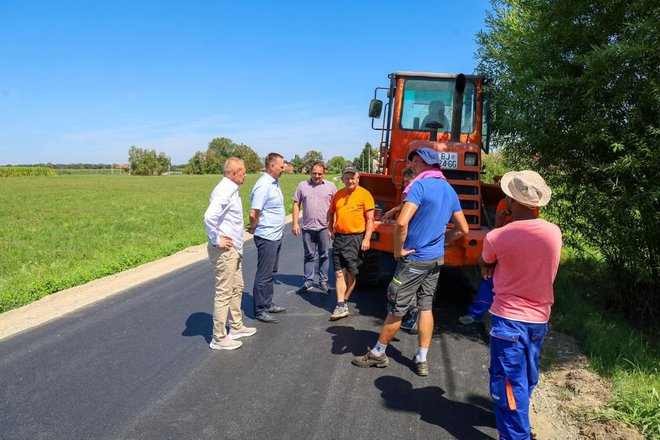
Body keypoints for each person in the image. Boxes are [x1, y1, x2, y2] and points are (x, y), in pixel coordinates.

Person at [351, 147, 469, 376]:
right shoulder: (448, 189)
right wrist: (443, 239)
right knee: (426, 307)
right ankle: (422, 358)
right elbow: (463, 229)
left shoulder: (420, 186)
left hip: (414, 259)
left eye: (414, 161)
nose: (412, 165)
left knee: (397, 307)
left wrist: (398, 250)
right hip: (435, 259)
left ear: (423, 162)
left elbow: (403, 223)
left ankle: (378, 353)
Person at [479, 170, 562, 440]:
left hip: (508, 320)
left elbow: (485, 263)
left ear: (511, 202)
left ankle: (516, 434)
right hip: (539, 320)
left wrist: (500, 225)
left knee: (509, 385)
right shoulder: (553, 232)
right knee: (526, 377)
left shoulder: (498, 236)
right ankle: (515, 417)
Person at [458, 199, 540, 325]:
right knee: (490, 280)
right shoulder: (502, 203)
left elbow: (529, 229)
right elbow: (498, 230)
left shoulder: (533, 207)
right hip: (506, 245)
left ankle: (514, 314)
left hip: (522, 249)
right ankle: (476, 313)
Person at [204, 157, 257, 350]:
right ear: (233, 173)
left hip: (234, 248)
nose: (245, 175)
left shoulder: (231, 189)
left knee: (237, 287)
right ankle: (218, 337)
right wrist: (216, 239)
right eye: (243, 172)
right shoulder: (225, 190)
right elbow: (209, 216)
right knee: (224, 292)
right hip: (225, 250)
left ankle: (236, 327)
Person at [327, 166, 375, 321]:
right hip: (339, 238)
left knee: (351, 273)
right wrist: (330, 229)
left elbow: (370, 220)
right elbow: (331, 211)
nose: (350, 180)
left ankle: (345, 299)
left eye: (353, 177)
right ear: (342, 179)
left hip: (355, 238)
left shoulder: (365, 195)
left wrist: (367, 239)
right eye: (347, 178)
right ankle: (341, 304)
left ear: (357, 179)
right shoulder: (338, 195)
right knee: (339, 272)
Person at [247, 152, 287, 323]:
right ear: (272, 166)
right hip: (267, 237)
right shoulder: (264, 185)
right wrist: (254, 225)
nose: (284, 168)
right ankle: (260, 309)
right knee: (264, 274)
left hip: (275, 235)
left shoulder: (274, 183)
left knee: (272, 272)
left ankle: (268, 303)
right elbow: (254, 212)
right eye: (281, 166)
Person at [292, 162, 337, 293]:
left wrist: (333, 226)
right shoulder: (302, 186)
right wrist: (295, 223)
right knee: (309, 255)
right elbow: (296, 205)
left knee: (324, 255)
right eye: (314, 173)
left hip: (324, 227)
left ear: (324, 173)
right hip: (308, 227)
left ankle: (323, 281)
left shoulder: (331, 187)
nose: (316, 176)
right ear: (311, 172)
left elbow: (336, 207)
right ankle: (308, 281)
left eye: (319, 174)